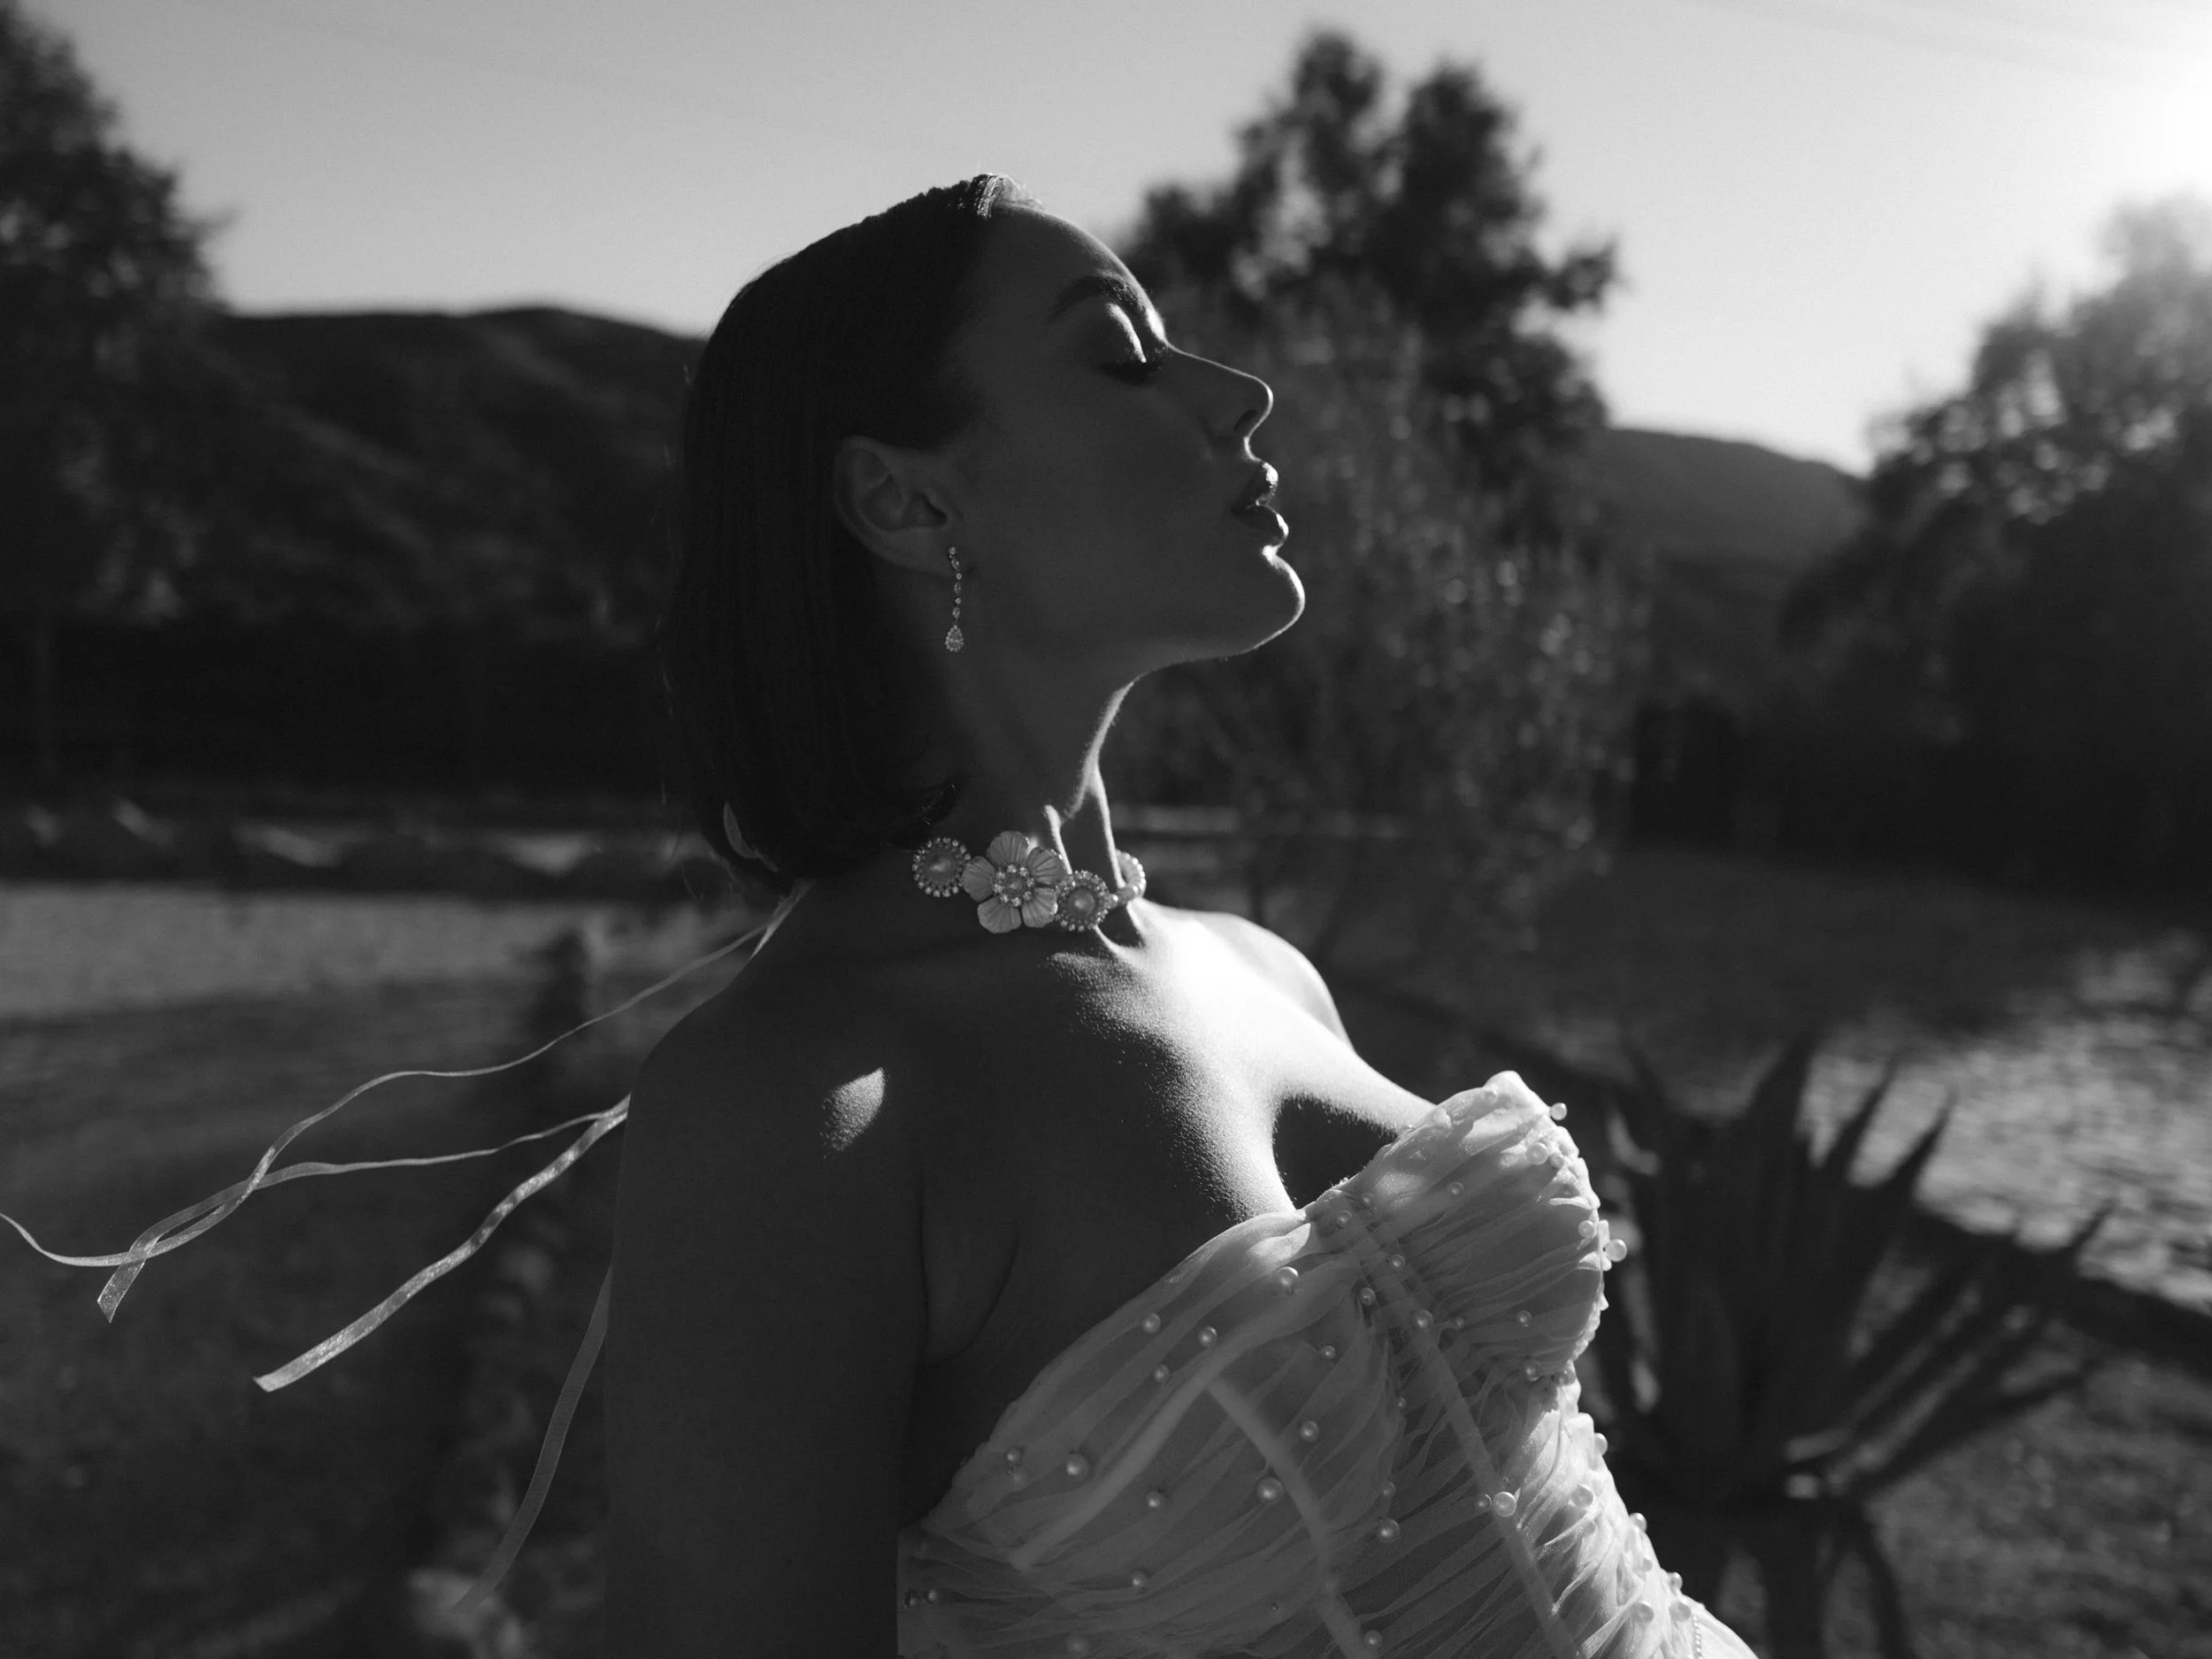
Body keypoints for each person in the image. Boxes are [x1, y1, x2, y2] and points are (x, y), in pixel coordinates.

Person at [611, 174, 1753, 1658]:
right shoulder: (796, 1107)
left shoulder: (1263, 968)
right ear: (905, 497)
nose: (1241, 391)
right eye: (1121, 353)